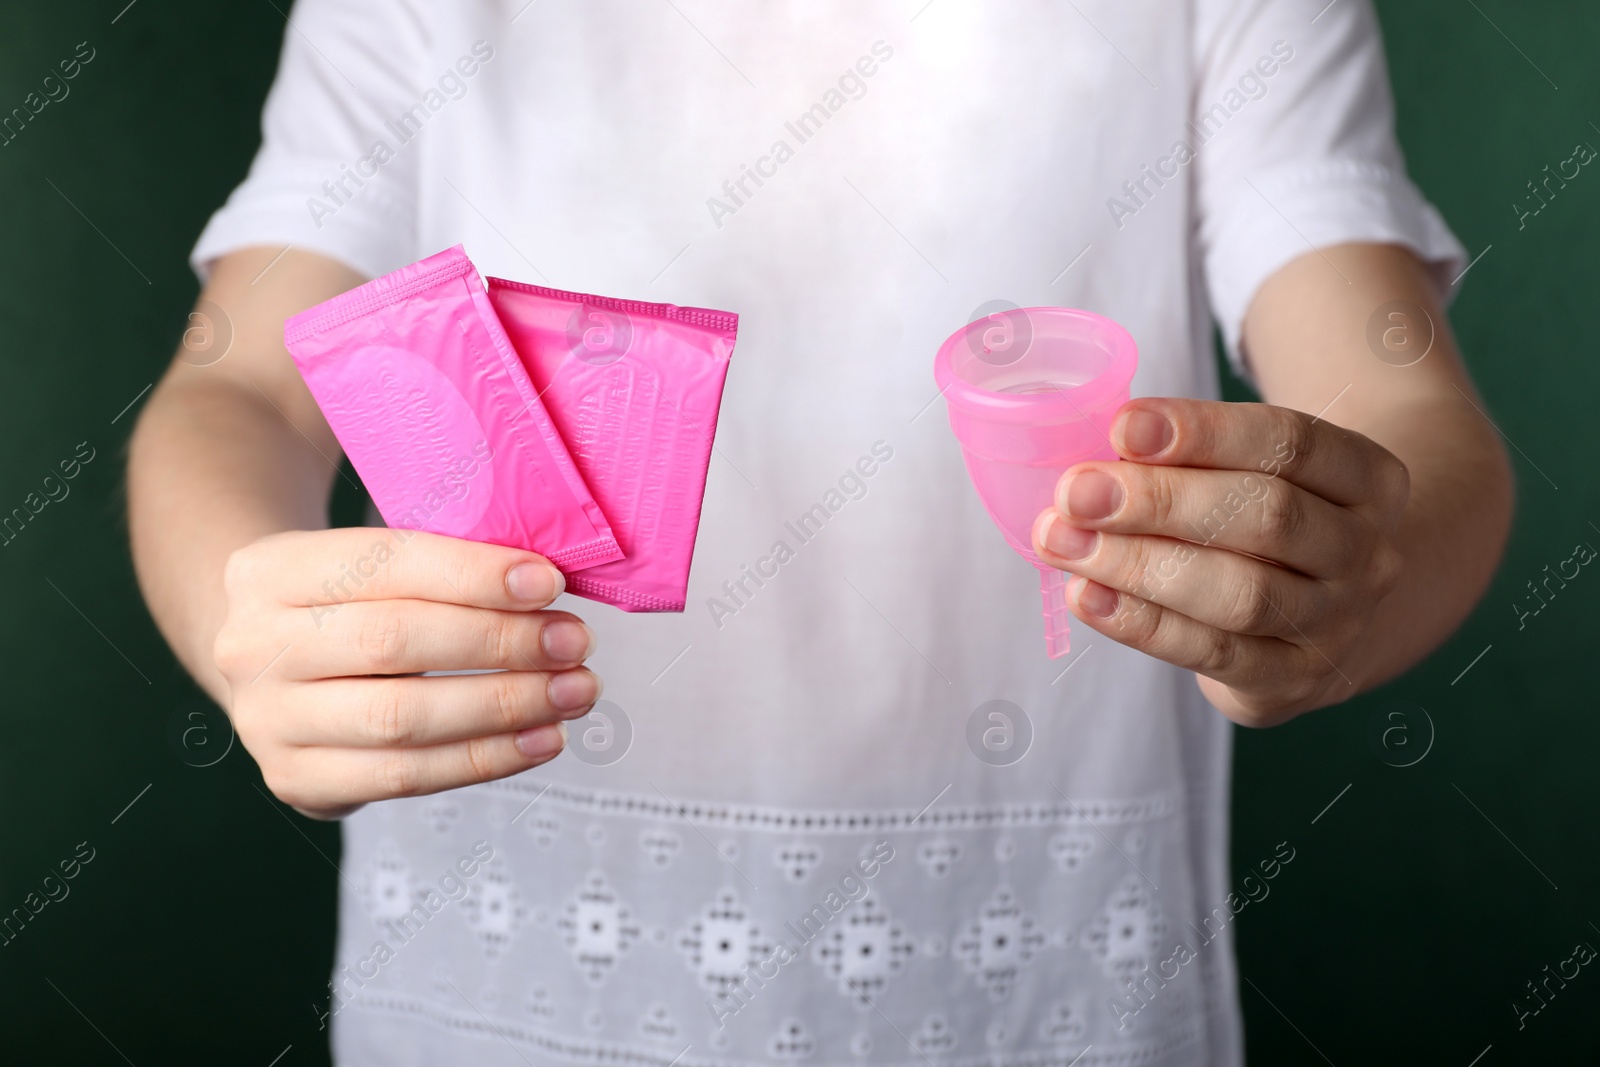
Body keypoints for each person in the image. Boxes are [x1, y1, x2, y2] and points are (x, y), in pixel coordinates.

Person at [127, 1, 1512, 1063]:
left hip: (1043, 993)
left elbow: (1401, 409)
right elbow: (241, 384)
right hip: (495, 989)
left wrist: (1352, 581)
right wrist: (240, 613)